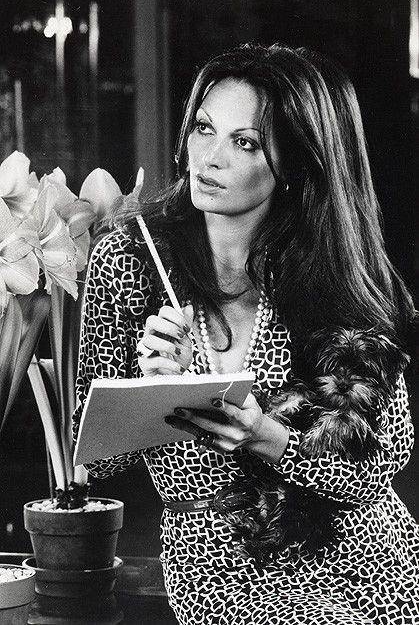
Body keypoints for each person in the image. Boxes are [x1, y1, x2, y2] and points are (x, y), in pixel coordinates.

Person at [73, 44, 418, 625]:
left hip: (361, 565)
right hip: (218, 570)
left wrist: (266, 436)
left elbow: (381, 462)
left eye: (246, 142)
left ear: (297, 165)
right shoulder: (131, 259)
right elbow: (94, 459)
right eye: (204, 128)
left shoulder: (331, 273)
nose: (209, 158)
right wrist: (150, 391)